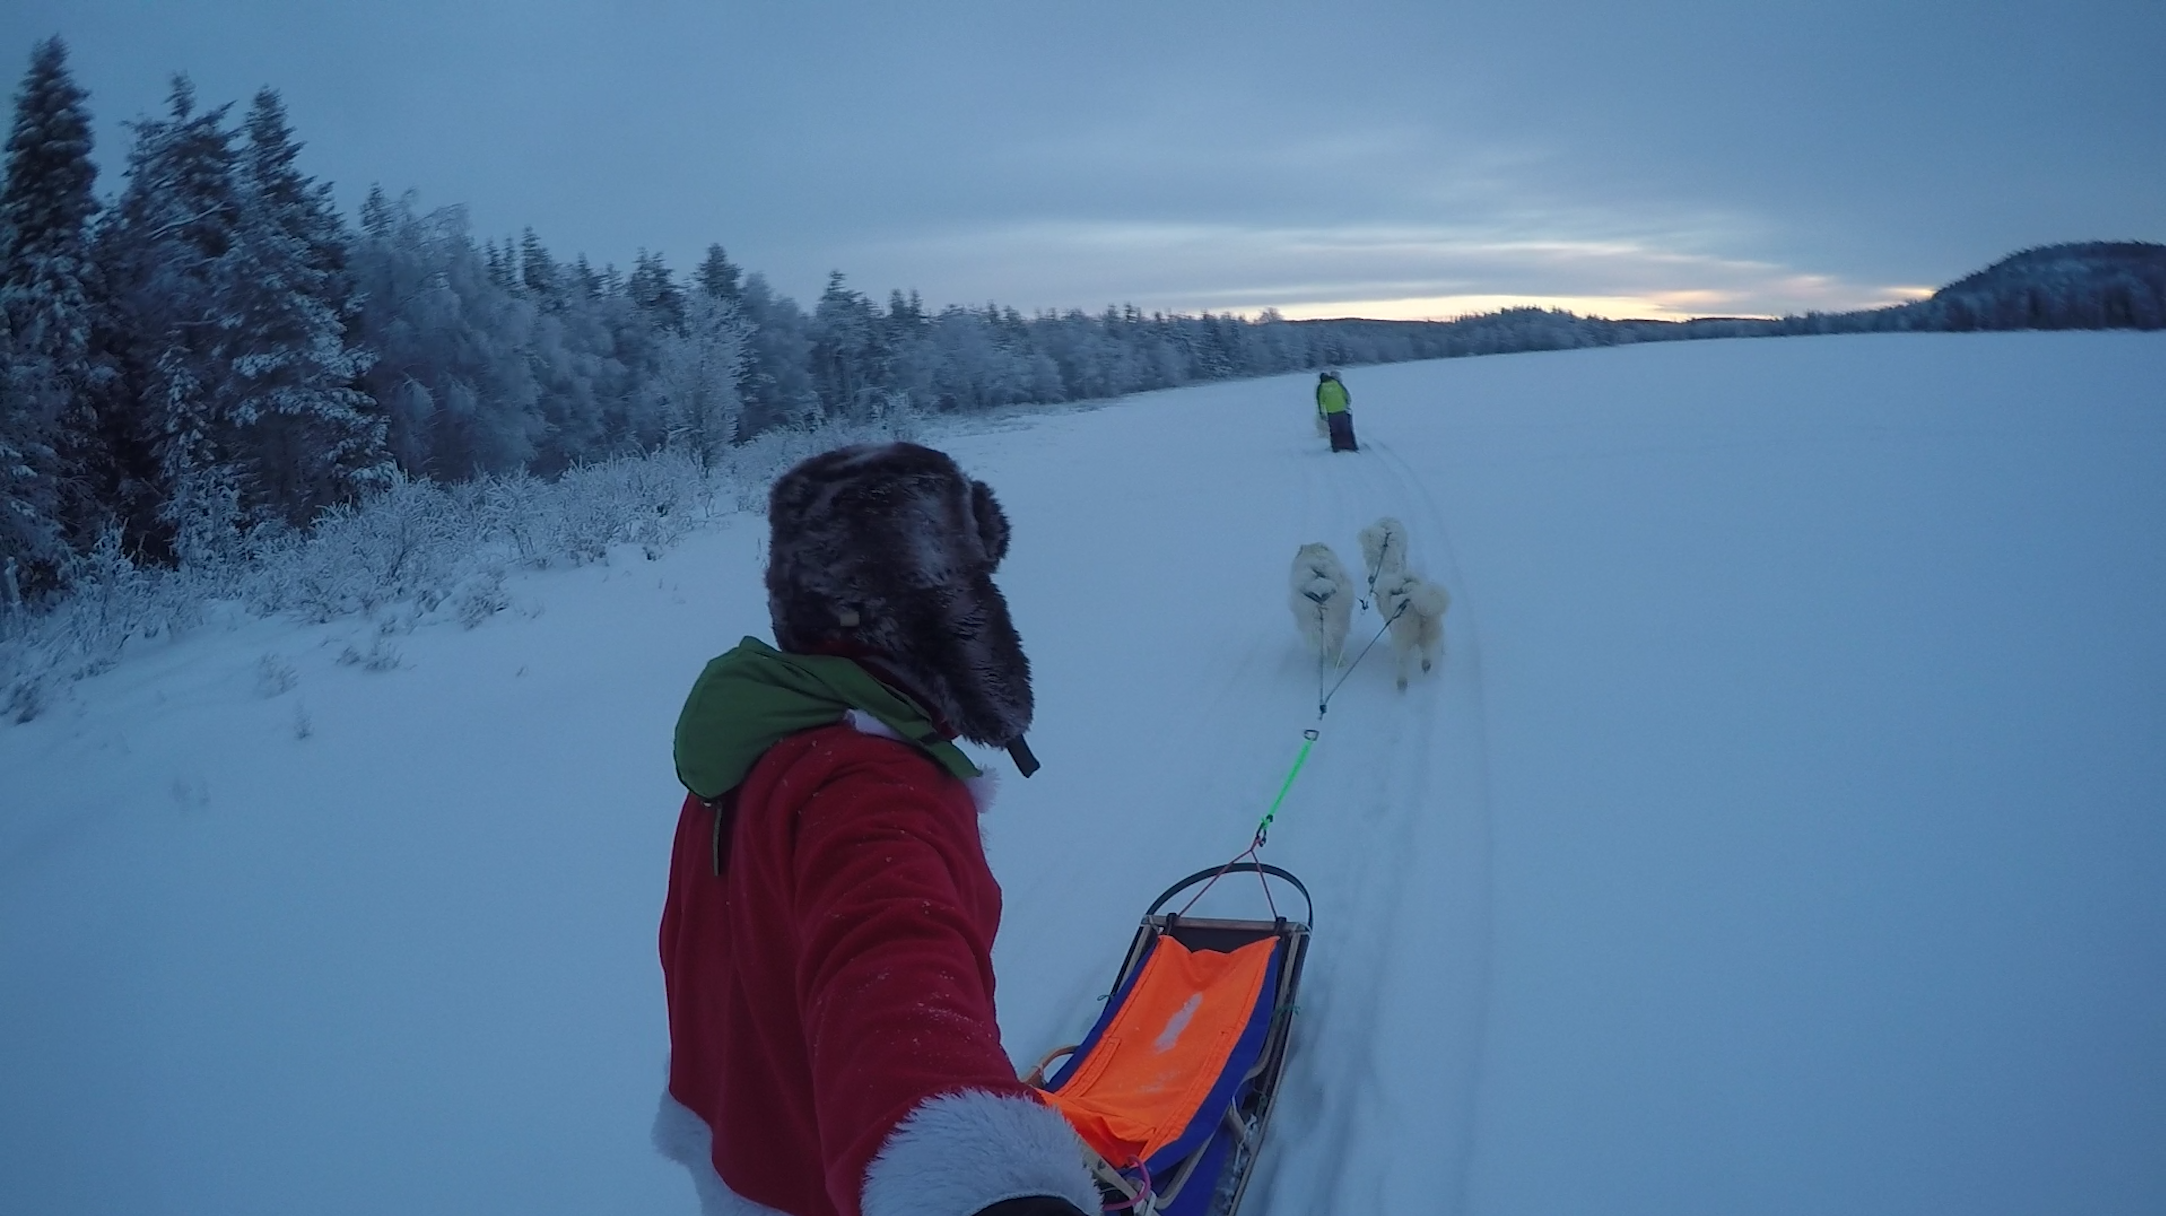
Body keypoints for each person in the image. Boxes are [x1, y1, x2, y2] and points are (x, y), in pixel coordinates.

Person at [655, 442, 1099, 1216]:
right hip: (832, 1188)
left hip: (745, 1163)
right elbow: (891, 963)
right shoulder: (871, 787)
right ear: (936, 607)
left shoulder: (755, 745)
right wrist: (986, 1185)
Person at [1315, 370, 1357, 452]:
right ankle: (1351, 445)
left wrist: (1321, 413)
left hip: (1331, 412)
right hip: (1342, 410)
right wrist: (1347, 405)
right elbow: (1345, 394)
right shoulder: (1337, 383)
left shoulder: (1321, 387)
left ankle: (1337, 447)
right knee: (1346, 429)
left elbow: (1320, 401)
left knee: (1334, 430)